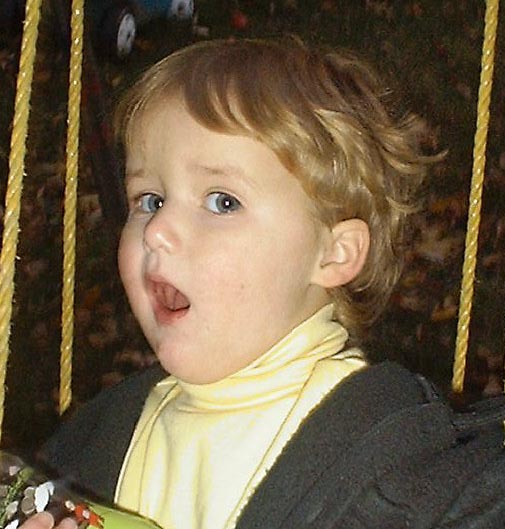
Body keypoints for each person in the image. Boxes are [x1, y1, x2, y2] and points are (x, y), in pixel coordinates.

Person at [22, 36, 505, 529]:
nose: (158, 230)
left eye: (222, 202)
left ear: (333, 253)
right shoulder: (96, 440)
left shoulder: (397, 473)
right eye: (150, 200)